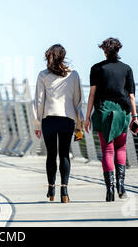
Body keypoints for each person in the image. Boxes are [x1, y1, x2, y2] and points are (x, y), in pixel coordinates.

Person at [84, 38, 138, 202]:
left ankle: (110, 190)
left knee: (107, 150)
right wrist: (135, 117)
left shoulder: (96, 68)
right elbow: (131, 96)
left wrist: (87, 117)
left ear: (104, 50)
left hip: (104, 112)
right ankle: (121, 186)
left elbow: (92, 95)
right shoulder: (127, 69)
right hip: (123, 112)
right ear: (118, 50)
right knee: (121, 148)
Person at [33, 44, 84, 203]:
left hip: (49, 119)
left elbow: (39, 102)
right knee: (64, 154)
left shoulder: (43, 75)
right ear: (63, 56)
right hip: (67, 119)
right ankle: (65, 191)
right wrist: (79, 125)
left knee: (51, 155)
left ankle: (51, 189)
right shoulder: (73, 75)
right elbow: (78, 101)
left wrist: (37, 124)